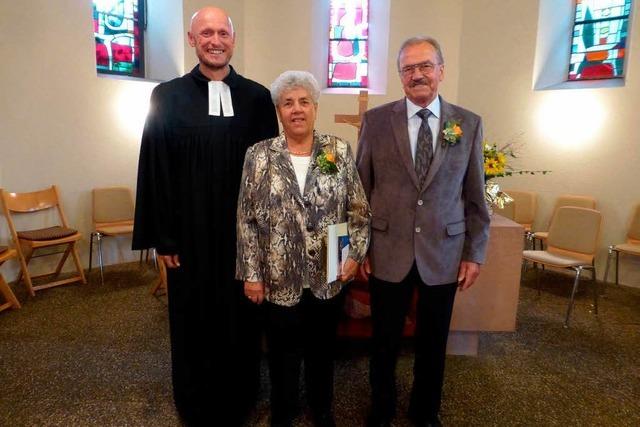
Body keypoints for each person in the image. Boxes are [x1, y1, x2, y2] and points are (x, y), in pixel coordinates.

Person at [132, 6, 278, 426]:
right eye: (206, 33)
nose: (216, 40)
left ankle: (241, 395)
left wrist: (267, 236)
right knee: (192, 320)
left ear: (233, 40)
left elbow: (270, 171)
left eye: (223, 33)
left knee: (241, 319)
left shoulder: (256, 97)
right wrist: (165, 237)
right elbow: (155, 167)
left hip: (242, 238)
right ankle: (193, 401)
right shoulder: (167, 96)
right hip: (189, 236)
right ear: (192, 39)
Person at [356, 36, 490, 427]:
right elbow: (360, 191)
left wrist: (474, 253)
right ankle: (380, 408)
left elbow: (476, 196)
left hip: (443, 252)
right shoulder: (377, 121)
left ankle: (425, 411)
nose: (418, 75)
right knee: (384, 341)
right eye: (408, 68)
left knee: (433, 343)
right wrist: (358, 247)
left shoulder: (468, 123)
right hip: (387, 249)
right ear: (400, 76)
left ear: (441, 71)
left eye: (425, 66)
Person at [236, 70, 371, 427]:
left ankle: (321, 409)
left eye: (304, 102)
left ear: (315, 107)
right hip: (278, 272)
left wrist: (355, 254)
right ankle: (283, 410)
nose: (296, 109)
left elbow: (358, 209)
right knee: (282, 352)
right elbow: (246, 220)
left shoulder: (338, 150)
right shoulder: (259, 155)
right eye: (288, 103)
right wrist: (252, 275)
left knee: (322, 350)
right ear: (279, 111)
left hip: (330, 266)